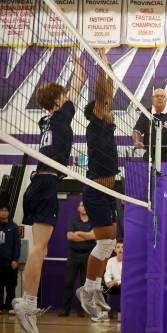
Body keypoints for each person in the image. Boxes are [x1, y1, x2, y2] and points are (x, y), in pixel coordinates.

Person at [13, 50, 84, 332]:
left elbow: (68, 93)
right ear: (57, 102)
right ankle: (28, 304)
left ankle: (27, 301)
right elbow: (77, 85)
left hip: (37, 184)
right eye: (63, 96)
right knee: (40, 249)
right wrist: (78, 67)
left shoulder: (46, 122)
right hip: (45, 184)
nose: (68, 98)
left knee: (38, 249)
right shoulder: (61, 115)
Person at [76, 50, 119, 320]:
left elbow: (108, 94)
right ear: (97, 112)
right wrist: (102, 67)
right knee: (104, 246)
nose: (110, 109)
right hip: (96, 191)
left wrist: (109, 70)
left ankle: (93, 288)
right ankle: (88, 290)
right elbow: (102, 94)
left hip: (107, 191)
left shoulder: (104, 124)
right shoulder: (97, 124)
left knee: (109, 243)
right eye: (105, 107)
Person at [132, 88, 167, 162]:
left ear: (166, 99)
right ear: (152, 99)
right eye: (157, 96)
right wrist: (137, 141)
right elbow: (136, 131)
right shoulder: (146, 114)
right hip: (150, 155)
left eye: (162, 96)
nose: (159, 98)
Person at [60, 201, 95, 317]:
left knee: (84, 284)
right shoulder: (73, 221)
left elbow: (94, 236)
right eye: (81, 205)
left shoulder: (93, 221)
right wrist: (87, 236)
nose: (84, 207)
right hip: (73, 255)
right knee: (68, 283)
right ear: (78, 208)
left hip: (88, 255)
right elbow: (69, 236)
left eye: (86, 205)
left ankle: (82, 310)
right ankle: (66, 310)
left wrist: (79, 234)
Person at [0, 204, 20, 314]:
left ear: (8, 213)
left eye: (5, 210)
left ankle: (10, 306)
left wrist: (15, 259)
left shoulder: (13, 227)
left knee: (11, 285)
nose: (3, 212)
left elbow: (17, 245)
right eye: (1, 210)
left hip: (10, 261)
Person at [104, 240, 123, 319]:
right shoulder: (111, 261)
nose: (120, 249)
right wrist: (108, 282)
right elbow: (107, 274)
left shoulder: (129, 262)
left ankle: (121, 313)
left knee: (124, 287)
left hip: (123, 285)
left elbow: (127, 278)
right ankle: (107, 313)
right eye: (118, 247)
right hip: (113, 285)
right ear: (115, 250)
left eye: (122, 247)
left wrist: (117, 282)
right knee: (102, 287)